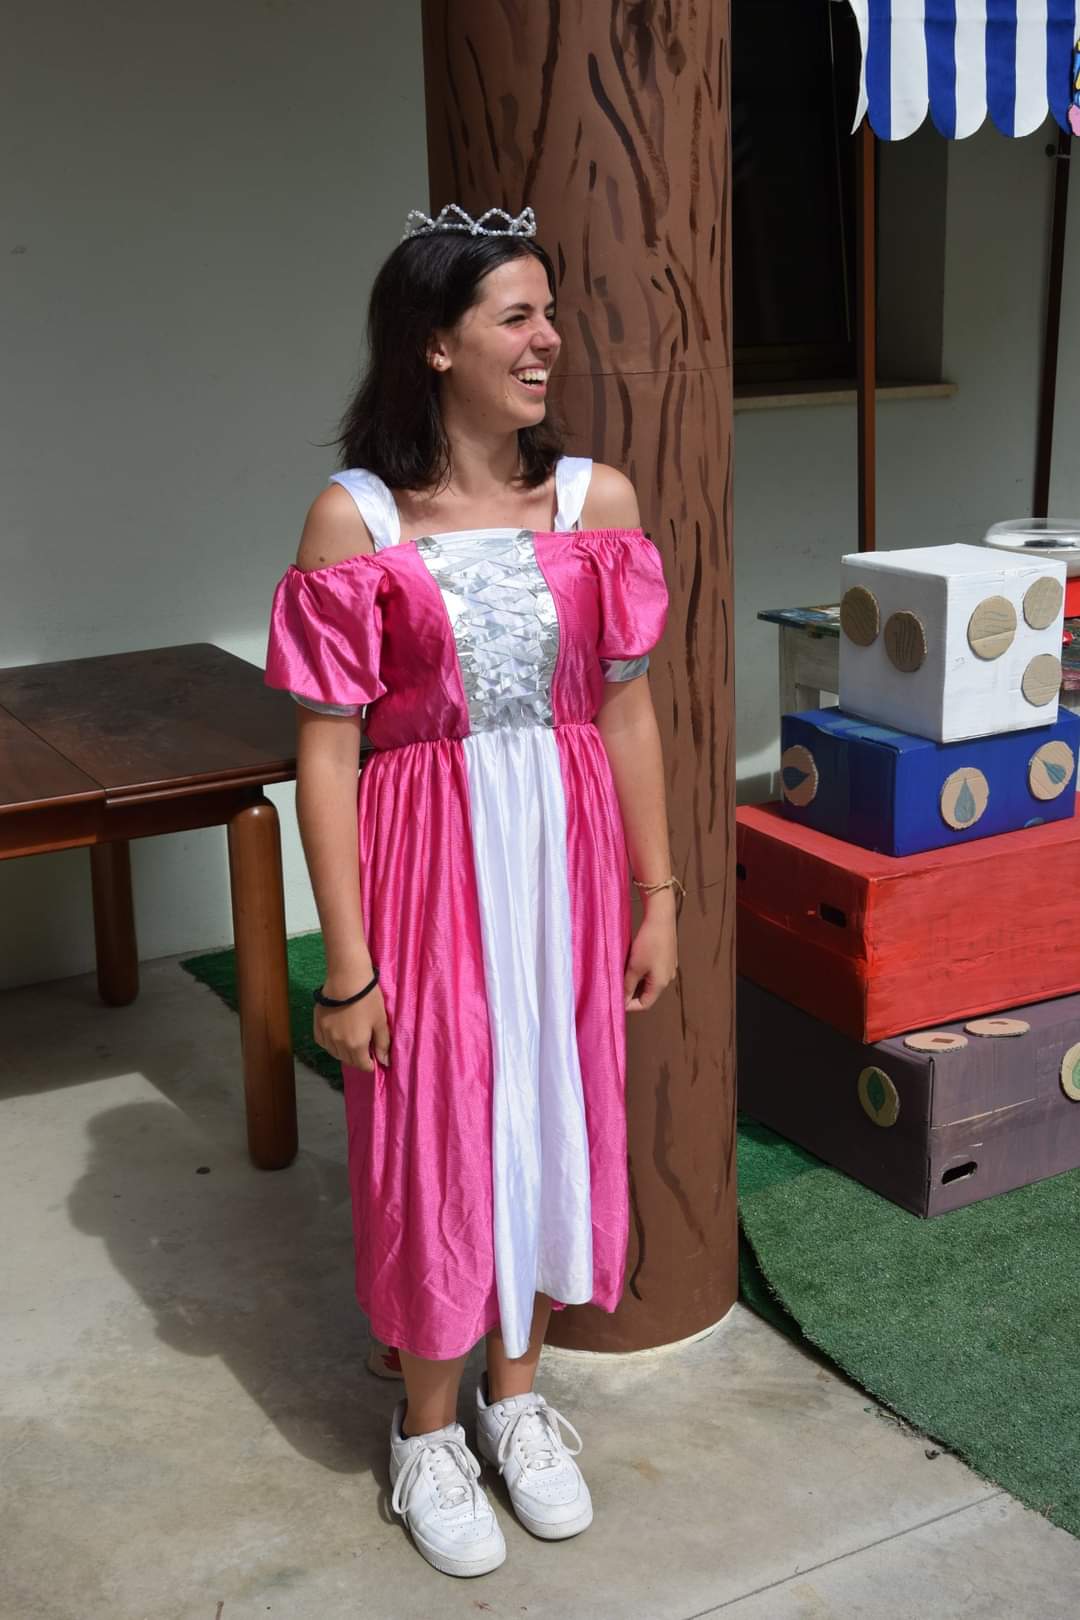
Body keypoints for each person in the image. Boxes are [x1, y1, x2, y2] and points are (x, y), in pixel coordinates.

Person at [265, 203, 680, 1579]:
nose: (548, 338)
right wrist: (347, 963)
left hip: (562, 858)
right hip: (426, 860)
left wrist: (660, 891)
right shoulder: (358, 519)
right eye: (517, 316)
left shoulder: (597, 505)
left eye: (549, 313)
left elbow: (626, 713)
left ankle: (516, 1399)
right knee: (438, 1124)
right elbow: (327, 754)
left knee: (553, 1100)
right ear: (435, 344)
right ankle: (428, 1429)